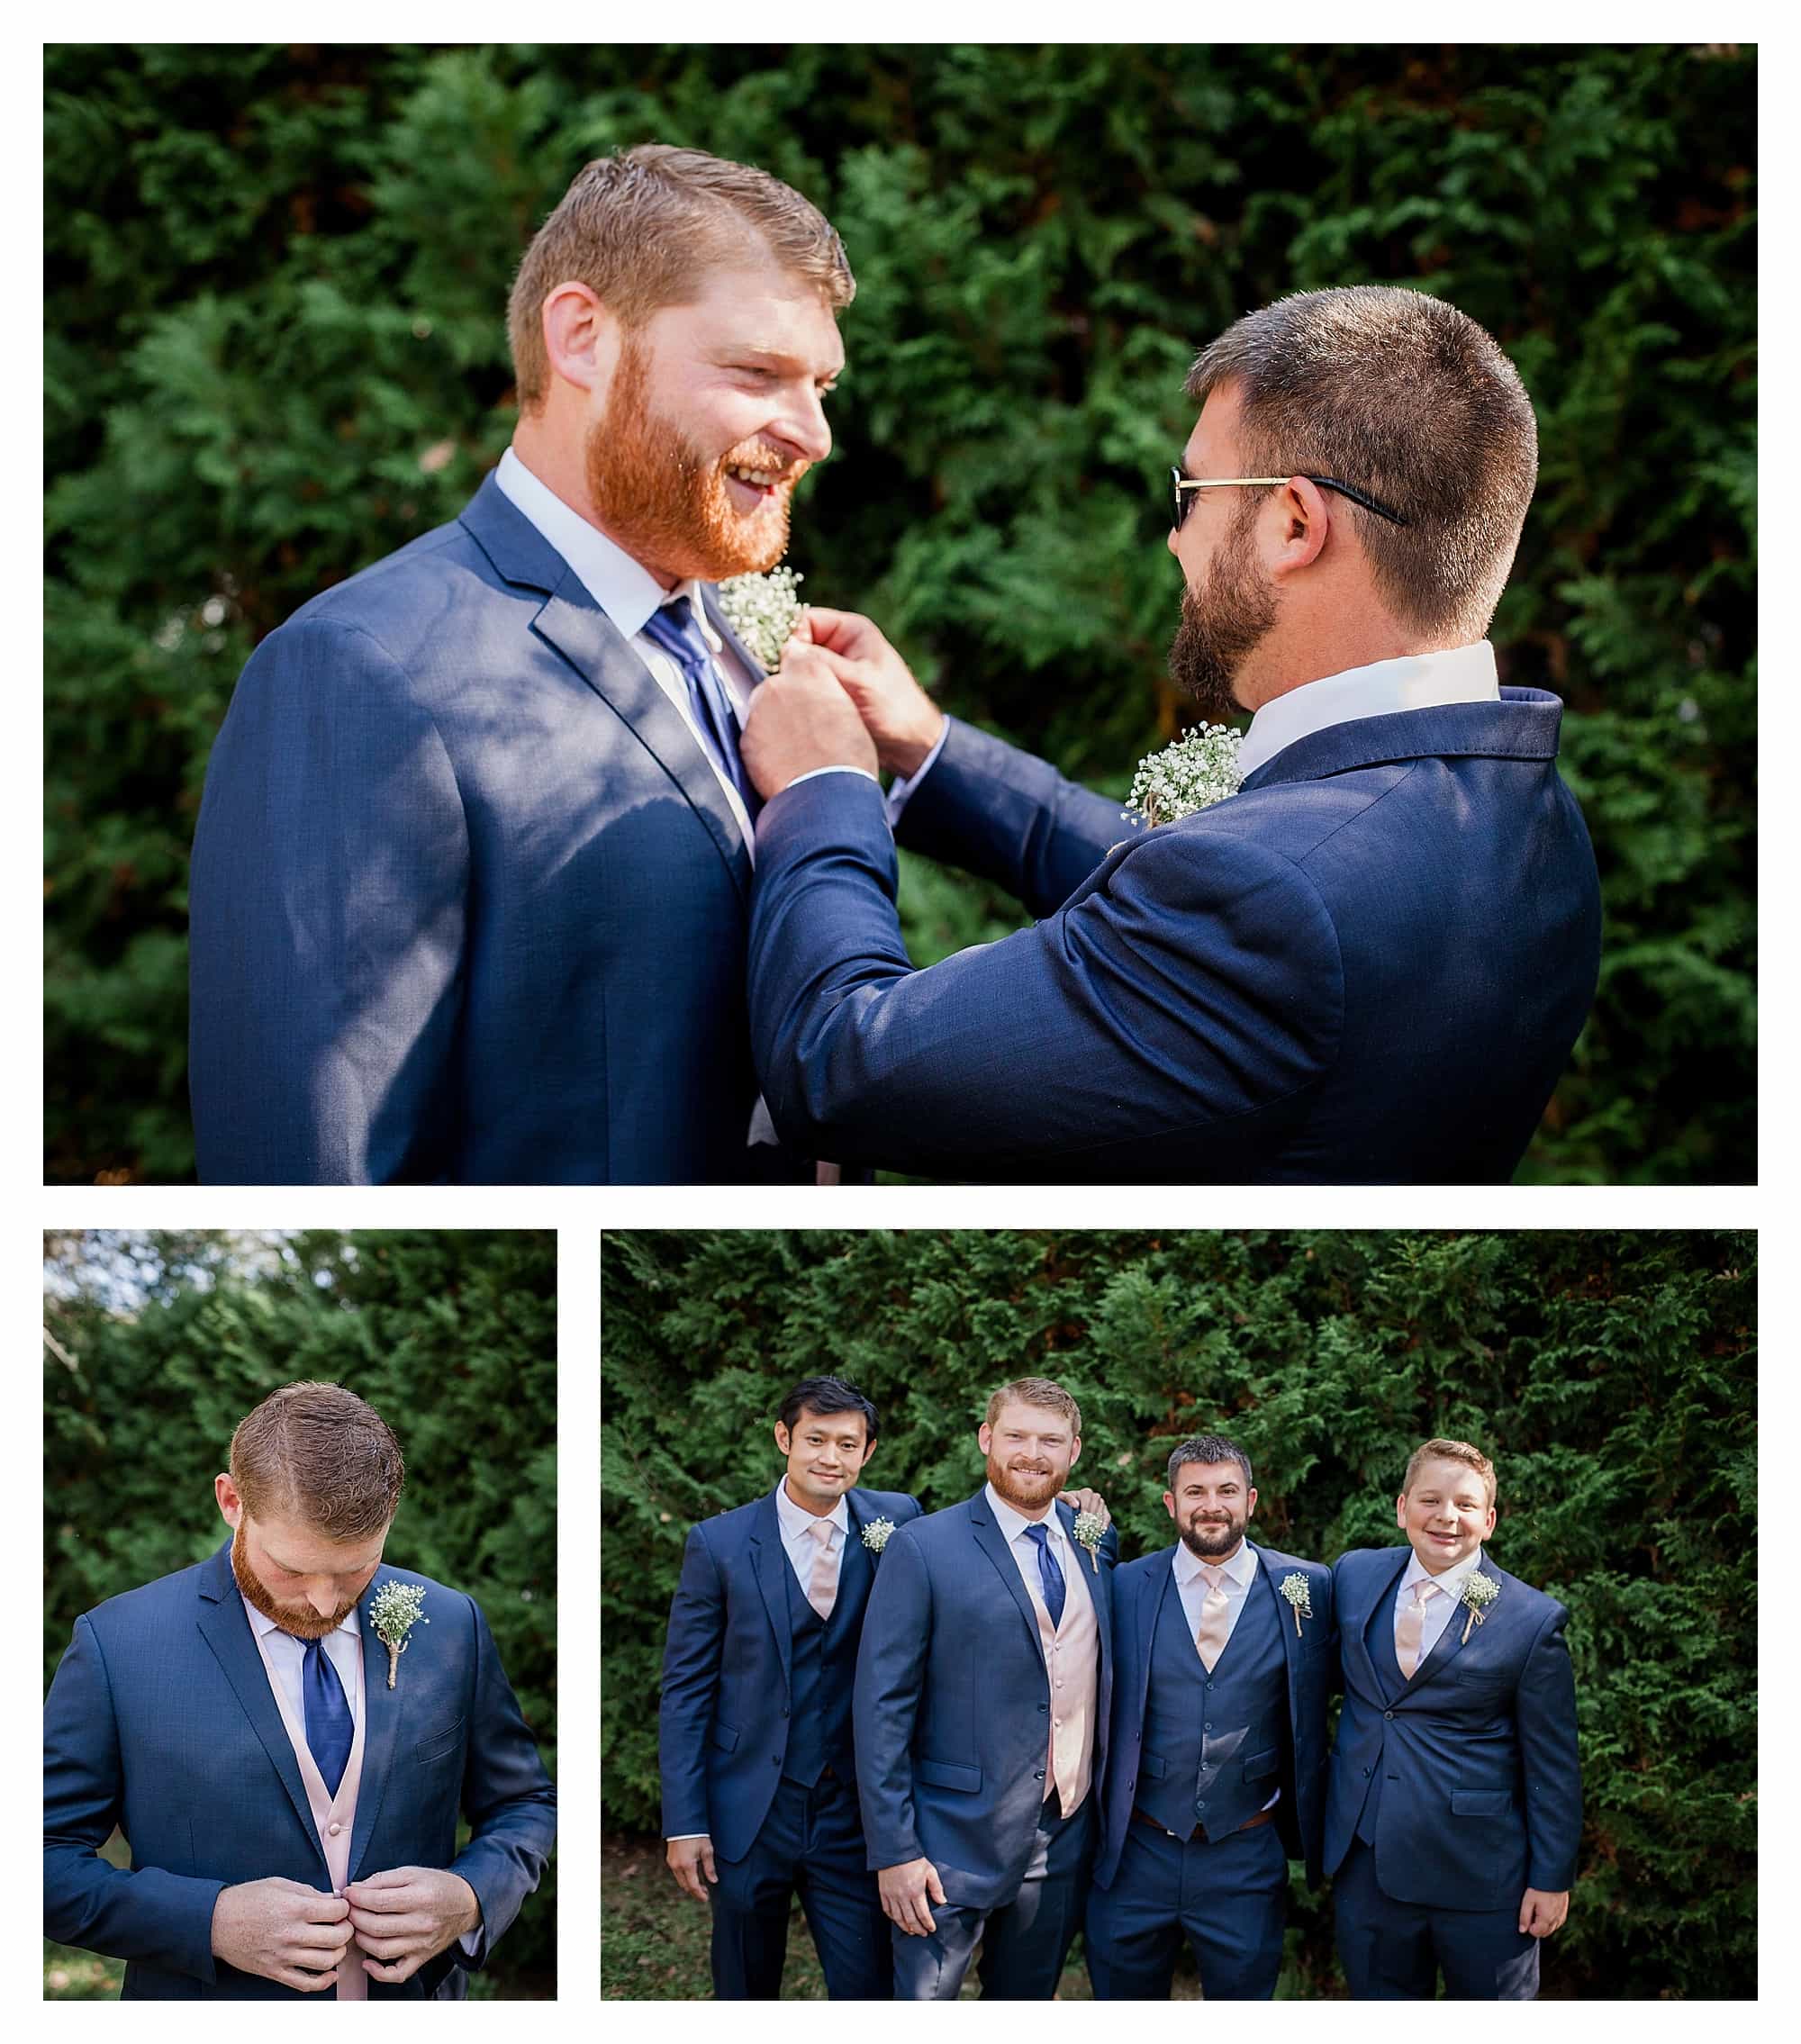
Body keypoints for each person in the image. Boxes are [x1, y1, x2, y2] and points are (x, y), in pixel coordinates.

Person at [738, 285, 1603, 1182]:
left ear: (1294, 523)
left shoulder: (1277, 894)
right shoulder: (1528, 820)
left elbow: (836, 1065)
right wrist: (929, 746)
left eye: (1188, 493)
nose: (1172, 540)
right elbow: (1201, 932)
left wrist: (822, 785)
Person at [189, 145, 855, 1183]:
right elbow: (312, 1162)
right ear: (582, 337)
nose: (811, 430)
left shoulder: (743, 645)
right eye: (756, 371)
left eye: (819, 383)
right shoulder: (360, 671)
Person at [42, 1380, 556, 2000]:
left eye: (355, 1570)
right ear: (232, 1502)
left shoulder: (449, 1624)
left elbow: (525, 1803)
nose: (324, 1601)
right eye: (291, 1568)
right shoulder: (117, 1645)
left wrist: (471, 1896)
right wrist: (208, 1921)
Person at [657, 1377, 923, 1998]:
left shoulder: (900, 1521)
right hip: (749, 1808)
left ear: (869, 1452)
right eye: (816, 1440)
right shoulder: (718, 1544)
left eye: (848, 1444)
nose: (831, 1457)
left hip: (853, 1812)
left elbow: (975, 1539)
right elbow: (686, 1692)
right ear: (784, 1438)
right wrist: (685, 1821)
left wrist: (1058, 1503)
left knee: (867, 1988)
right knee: (745, 1987)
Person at [852, 1378, 1118, 1999]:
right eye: (1017, 1436)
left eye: (1050, 1440)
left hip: (1061, 1834)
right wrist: (894, 1851)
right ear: (985, 1439)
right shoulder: (924, 1548)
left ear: (1073, 1452)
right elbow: (881, 1707)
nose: (1033, 1453)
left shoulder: (1094, 1540)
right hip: (946, 1843)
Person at [1323, 1437, 1581, 2000]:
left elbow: (1553, 1765)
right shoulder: (1354, 1577)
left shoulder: (1532, 1620)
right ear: (1401, 1508)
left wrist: (1551, 1878)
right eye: (1431, 1500)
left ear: (1488, 1520)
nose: (1446, 1517)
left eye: (1465, 1505)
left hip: (1481, 1877)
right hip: (1367, 1866)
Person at [1085, 1434, 1333, 2000]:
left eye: (1226, 1490)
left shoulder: (1307, 1588)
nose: (1211, 1505)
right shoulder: (1125, 1585)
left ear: (1251, 1500)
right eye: (1194, 1491)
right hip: (1135, 1852)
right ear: (1171, 1503)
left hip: (1244, 1853)